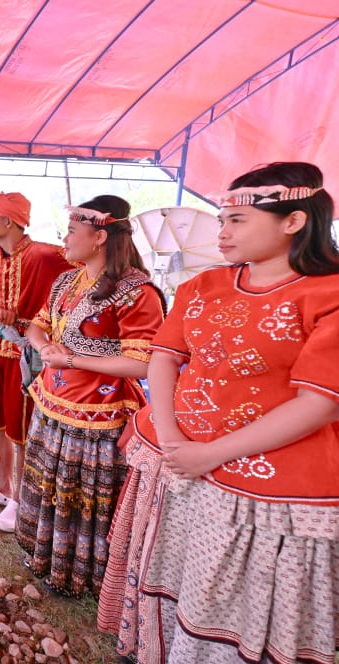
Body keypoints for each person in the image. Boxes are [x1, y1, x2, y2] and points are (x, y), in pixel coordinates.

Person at [98, 162, 339, 664]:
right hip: (179, 460)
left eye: (236, 221)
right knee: (170, 570)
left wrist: (209, 454)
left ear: (293, 221)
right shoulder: (204, 285)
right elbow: (165, 357)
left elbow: (318, 403)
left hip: (264, 487)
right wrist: (170, 438)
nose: (221, 232)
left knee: (234, 602)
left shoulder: (328, 295)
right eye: (222, 218)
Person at [17, 195, 164, 597]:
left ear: (99, 236)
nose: (64, 239)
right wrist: (44, 347)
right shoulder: (67, 280)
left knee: (84, 497)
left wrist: (74, 358)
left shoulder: (137, 291)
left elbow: (143, 362)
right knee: (52, 482)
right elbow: (37, 324)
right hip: (53, 402)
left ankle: (85, 575)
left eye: (70, 231)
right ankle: (46, 556)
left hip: (97, 415)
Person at [0, 192, 74, 532]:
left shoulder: (46, 255)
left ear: (8, 221)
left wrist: (48, 324)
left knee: (20, 428)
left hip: (27, 356)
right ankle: (4, 486)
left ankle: (23, 498)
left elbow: (83, 277)